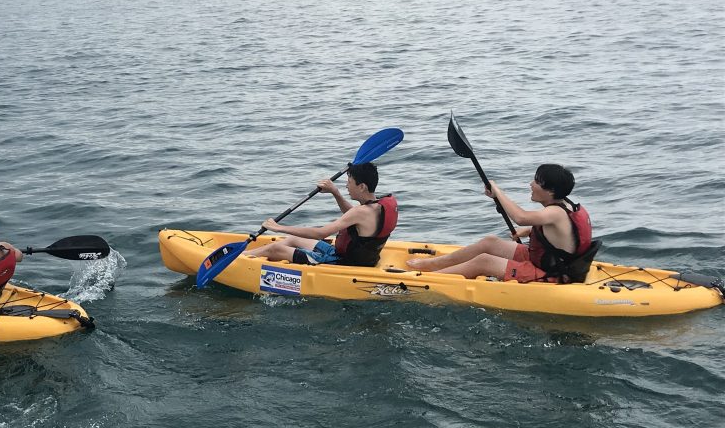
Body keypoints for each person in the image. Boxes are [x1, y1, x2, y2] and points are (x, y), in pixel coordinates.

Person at [406, 163, 594, 283]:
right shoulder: (565, 206)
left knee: (484, 261)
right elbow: (563, 236)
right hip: (545, 261)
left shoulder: (554, 212)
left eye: (536, 181)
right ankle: (431, 265)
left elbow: (520, 217)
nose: (531, 184)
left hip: (552, 274)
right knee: (490, 242)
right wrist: (529, 232)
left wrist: (497, 190)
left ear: (550, 191)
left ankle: (426, 280)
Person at [244, 162, 398, 267]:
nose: (346, 186)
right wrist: (335, 192)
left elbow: (320, 233)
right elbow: (354, 217)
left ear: (362, 186)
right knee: (293, 239)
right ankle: (246, 255)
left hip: (342, 262)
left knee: (276, 249)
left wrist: (278, 227)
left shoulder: (361, 211)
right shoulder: (377, 206)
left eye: (349, 182)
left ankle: (238, 259)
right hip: (357, 257)